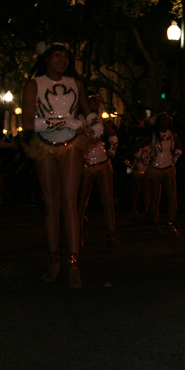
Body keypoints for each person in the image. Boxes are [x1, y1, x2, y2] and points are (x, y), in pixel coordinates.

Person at [22, 42, 103, 288]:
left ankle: (74, 263)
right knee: (51, 204)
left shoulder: (75, 84)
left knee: (70, 202)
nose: (62, 59)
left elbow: (88, 112)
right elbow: (27, 123)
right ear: (46, 58)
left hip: (71, 146)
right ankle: (54, 260)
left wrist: (95, 125)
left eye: (66, 56)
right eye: (57, 55)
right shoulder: (34, 84)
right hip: (44, 146)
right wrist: (62, 123)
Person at [77, 92, 119, 247]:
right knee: (82, 201)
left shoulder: (99, 119)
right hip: (86, 165)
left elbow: (113, 135)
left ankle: (110, 233)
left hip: (102, 163)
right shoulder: (79, 120)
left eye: (99, 101)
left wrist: (111, 151)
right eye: (94, 100)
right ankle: (77, 234)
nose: (97, 103)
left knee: (108, 200)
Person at [147, 112, 182, 236]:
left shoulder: (173, 135)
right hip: (155, 168)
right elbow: (139, 146)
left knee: (172, 196)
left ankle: (171, 223)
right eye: (162, 119)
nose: (165, 121)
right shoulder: (152, 135)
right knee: (155, 197)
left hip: (169, 167)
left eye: (167, 119)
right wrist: (147, 157)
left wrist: (175, 158)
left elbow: (179, 148)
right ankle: (155, 224)